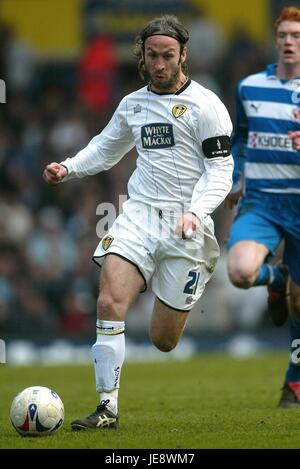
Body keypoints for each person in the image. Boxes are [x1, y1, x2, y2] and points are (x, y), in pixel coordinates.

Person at [43, 15, 233, 429]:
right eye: (153, 56)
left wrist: (197, 213)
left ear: (183, 55)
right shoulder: (133, 104)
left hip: (188, 227)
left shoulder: (206, 106)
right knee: (110, 298)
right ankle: (107, 407)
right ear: (142, 58)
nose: (160, 64)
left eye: (168, 56)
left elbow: (221, 171)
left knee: (164, 340)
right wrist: (68, 168)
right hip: (140, 216)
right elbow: (106, 148)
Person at [226, 6, 300, 408]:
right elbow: (240, 139)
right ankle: (275, 276)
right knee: (239, 272)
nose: (290, 41)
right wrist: (234, 176)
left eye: (297, 35)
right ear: (276, 40)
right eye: (284, 35)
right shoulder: (249, 87)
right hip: (263, 203)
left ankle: (294, 381)